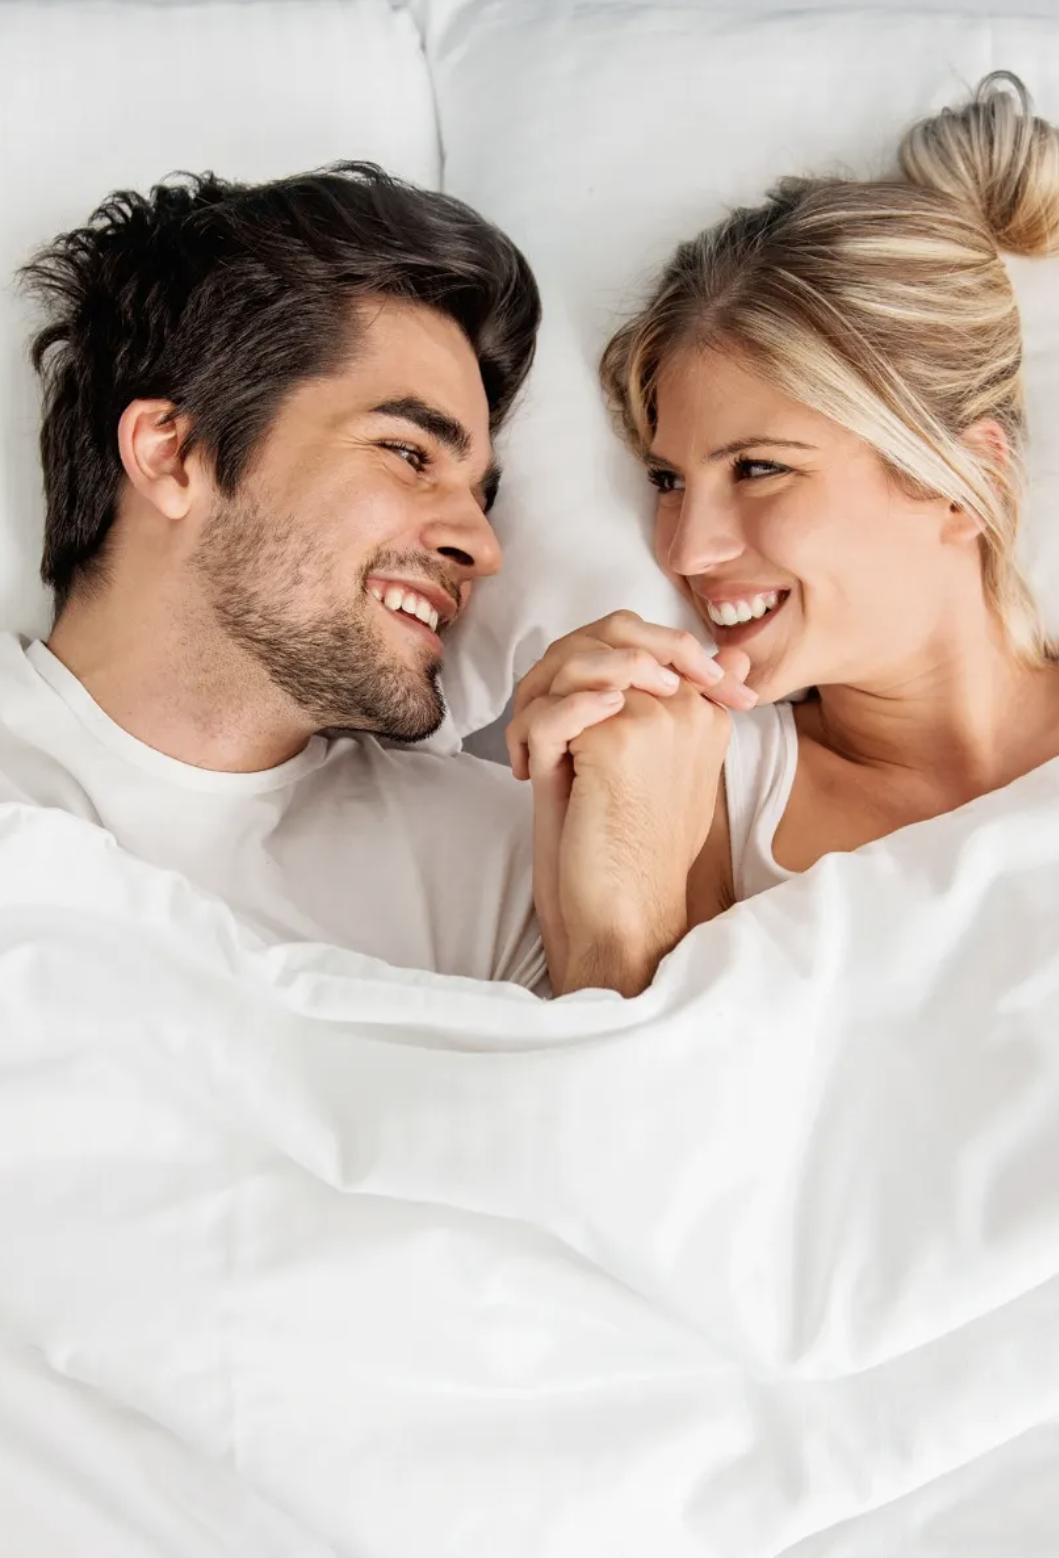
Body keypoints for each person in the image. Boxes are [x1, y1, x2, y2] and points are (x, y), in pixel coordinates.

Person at [2, 162, 753, 992]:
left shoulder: (511, 866)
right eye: (408, 454)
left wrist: (622, 934)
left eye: (482, 497)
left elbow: (641, 1077)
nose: (483, 547)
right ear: (173, 454)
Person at [510, 72, 1059, 993]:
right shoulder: (698, 801)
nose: (687, 551)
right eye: (668, 481)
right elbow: (623, 1073)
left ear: (963, 481)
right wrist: (612, 904)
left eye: (758, 468)